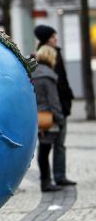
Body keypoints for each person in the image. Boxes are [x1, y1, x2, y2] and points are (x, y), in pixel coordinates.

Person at [34, 25, 76, 186]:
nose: (55, 39)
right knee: (47, 146)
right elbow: (56, 89)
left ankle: (54, 178)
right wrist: (59, 113)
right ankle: (48, 180)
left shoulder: (41, 60)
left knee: (53, 145)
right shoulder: (47, 61)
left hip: (49, 110)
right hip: (50, 111)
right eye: (53, 37)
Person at [32, 46, 64, 192]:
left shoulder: (33, 73)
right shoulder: (48, 76)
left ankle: (45, 180)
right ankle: (46, 182)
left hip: (37, 116)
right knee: (45, 150)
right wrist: (60, 118)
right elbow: (54, 101)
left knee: (42, 150)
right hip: (48, 118)